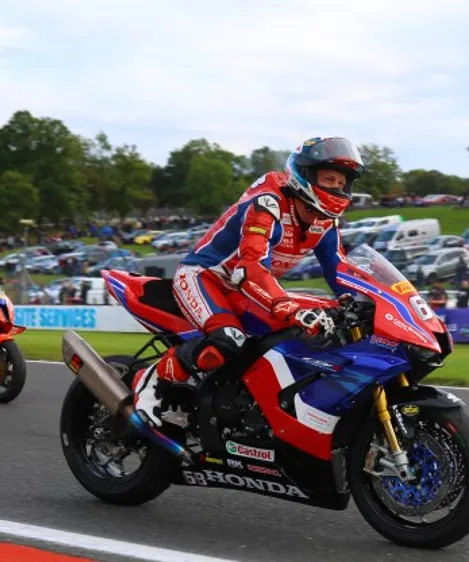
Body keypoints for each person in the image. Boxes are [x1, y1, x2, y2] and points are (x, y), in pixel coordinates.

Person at [131, 137, 366, 427]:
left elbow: (338, 269)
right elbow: (251, 266)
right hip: (206, 276)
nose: (337, 189)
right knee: (229, 340)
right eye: (329, 179)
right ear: (305, 176)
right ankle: (152, 380)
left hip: (247, 289)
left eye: (342, 183)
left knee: (294, 338)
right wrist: (286, 306)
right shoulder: (268, 204)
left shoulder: (326, 223)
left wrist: (372, 300)